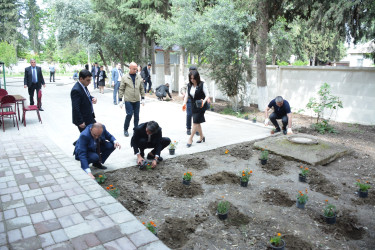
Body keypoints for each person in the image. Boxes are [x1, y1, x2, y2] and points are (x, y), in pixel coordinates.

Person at [180, 66, 210, 135]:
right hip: (190, 100)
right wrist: (184, 97)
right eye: (190, 71)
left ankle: (196, 130)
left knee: (196, 116)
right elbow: (183, 89)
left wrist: (206, 99)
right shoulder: (188, 80)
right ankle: (188, 128)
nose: (192, 79)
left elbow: (206, 91)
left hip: (199, 101)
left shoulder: (201, 80)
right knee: (189, 114)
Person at [118, 62, 145, 137]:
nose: (135, 70)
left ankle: (136, 130)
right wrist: (120, 100)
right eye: (134, 69)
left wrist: (143, 98)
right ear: (129, 68)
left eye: (136, 69)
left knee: (136, 116)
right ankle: (125, 129)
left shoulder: (139, 77)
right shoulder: (125, 77)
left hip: (137, 100)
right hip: (128, 100)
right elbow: (121, 89)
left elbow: (141, 88)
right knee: (129, 114)